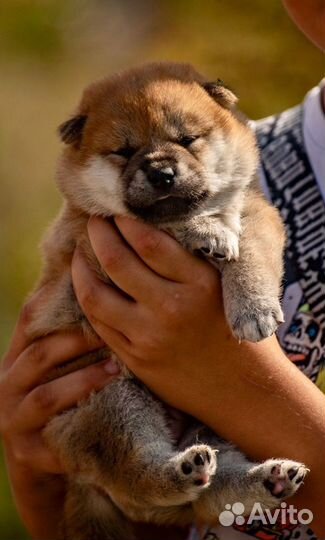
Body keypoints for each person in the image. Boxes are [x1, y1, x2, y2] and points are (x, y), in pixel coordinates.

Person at [0, 1, 324, 540]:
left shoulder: (252, 187)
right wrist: (38, 479)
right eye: (123, 154)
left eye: (186, 142)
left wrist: (243, 386)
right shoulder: (271, 160)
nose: (160, 167)